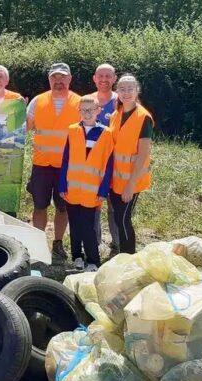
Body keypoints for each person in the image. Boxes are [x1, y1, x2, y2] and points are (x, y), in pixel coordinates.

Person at [25, 62, 82, 259]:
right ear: (49, 79)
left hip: (67, 166)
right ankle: (38, 243)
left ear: (70, 79)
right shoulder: (37, 101)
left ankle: (58, 243)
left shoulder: (80, 103)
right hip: (41, 165)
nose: (58, 81)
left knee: (63, 206)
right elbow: (24, 127)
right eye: (54, 78)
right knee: (39, 206)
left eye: (62, 77)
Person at [59, 95, 114, 272]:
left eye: (91, 109)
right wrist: (62, 184)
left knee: (88, 226)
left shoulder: (106, 134)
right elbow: (66, 159)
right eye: (83, 110)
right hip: (72, 189)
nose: (87, 113)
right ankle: (77, 257)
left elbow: (109, 164)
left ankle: (93, 261)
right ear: (79, 112)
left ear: (99, 110)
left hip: (92, 190)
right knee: (74, 224)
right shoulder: (73, 130)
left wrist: (104, 190)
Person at [108, 74, 153, 254]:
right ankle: (123, 254)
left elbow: (143, 154)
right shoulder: (115, 114)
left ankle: (129, 257)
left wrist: (131, 185)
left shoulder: (144, 118)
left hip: (132, 181)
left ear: (137, 91)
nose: (126, 92)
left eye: (130, 89)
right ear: (117, 91)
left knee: (123, 219)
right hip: (116, 179)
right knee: (118, 219)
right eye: (122, 89)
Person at [89, 63, 120, 253]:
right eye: (101, 76)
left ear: (114, 79)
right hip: (92, 162)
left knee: (114, 205)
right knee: (93, 204)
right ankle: (95, 243)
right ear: (94, 78)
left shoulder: (121, 100)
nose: (104, 80)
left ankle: (118, 242)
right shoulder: (87, 101)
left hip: (115, 162)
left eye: (108, 76)